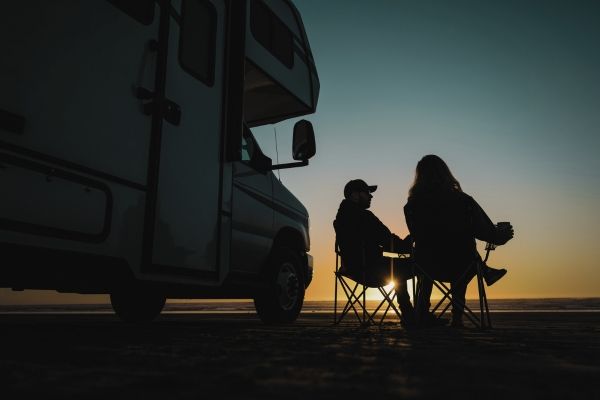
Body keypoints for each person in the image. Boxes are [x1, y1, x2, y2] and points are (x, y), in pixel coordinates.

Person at [404, 155, 514, 328]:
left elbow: (417, 235)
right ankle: (457, 318)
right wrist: (501, 236)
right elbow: (484, 231)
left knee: (429, 257)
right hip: (461, 264)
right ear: (446, 173)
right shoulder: (464, 201)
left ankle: (421, 315)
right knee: (462, 255)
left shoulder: (411, 205)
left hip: (426, 265)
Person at [335, 179, 439, 328]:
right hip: (371, 270)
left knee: (396, 267)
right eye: (367, 193)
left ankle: (409, 314)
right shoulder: (364, 217)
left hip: (352, 270)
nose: (371, 196)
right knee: (424, 266)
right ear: (355, 195)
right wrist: (414, 238)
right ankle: (418, 314)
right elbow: (390, 242)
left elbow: (386, 244)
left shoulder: (340, 219)